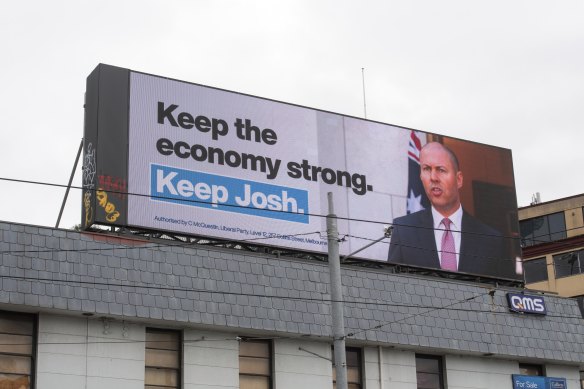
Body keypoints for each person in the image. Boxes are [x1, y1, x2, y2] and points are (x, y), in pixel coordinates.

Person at [387, 142, 505, 276]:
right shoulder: (403, 230)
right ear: (420, 176)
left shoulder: (491, 239)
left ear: (459, 179)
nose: (433, 178)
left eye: (441, 170)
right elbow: (393, 285)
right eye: (426, 169)